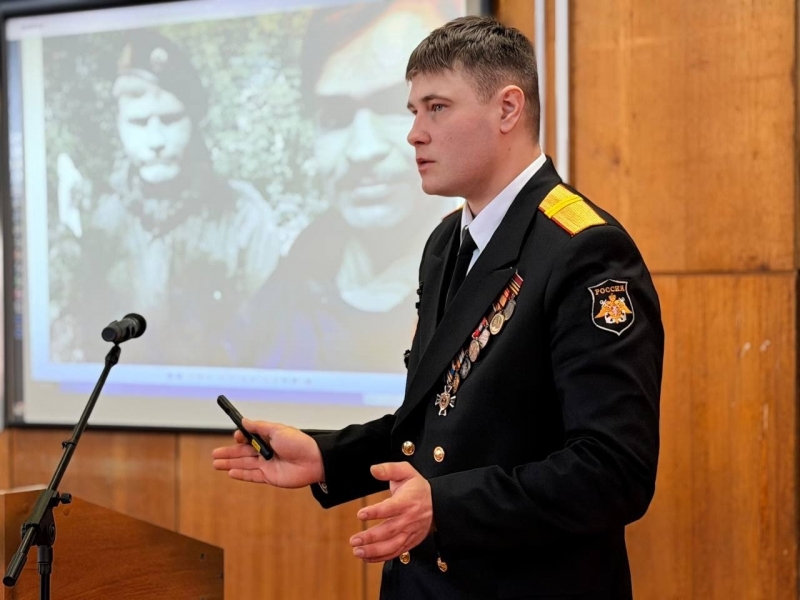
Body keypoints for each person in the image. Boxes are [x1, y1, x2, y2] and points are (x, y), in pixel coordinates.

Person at [213, 15, 663, 600]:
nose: (414, 134)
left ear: (507, 109)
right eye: (413, 111)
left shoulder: (585, 251)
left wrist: (445, 507)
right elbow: (435, 422)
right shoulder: (447, 242)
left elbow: (614, 472)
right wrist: (327, 456)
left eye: (437, 108)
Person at [227, 1, 458, 372]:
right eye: (335, 117)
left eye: (397, 108)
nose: (362, 150)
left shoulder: (494, 275)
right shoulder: (295, 275)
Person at [51, 29, 279, 365]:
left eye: (171, 119)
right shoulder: (103, 218)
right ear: (119, 125)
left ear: (194, 120)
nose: (156, 140)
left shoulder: (243, 215)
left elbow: (271, 338)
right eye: (139, 122)